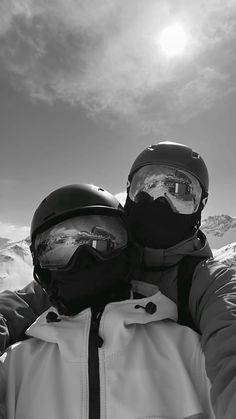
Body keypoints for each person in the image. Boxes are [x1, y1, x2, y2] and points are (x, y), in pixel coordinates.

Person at [0, 141, 235, 418]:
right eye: (146, 187)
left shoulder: (207, 280)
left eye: (179, 192)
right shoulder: (104, 260)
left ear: (200, 207)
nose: (159, 202)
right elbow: (22, 303)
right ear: (129, 193)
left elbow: (229, 336)